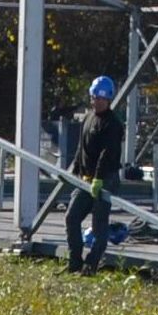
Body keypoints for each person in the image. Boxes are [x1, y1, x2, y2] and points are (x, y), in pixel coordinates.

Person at [62, 75, 125, 274]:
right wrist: (74, 169)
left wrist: (98, 177)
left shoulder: (113, 124)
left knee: (99, 224)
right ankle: (74, 262)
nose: (97, 102)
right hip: (86, 178)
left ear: (109, 99)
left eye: (101, 99)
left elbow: (108, 154)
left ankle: (91, 264)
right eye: (95, 97)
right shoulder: (88, 118)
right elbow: (82, 148)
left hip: (105, 179)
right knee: (72, 217)